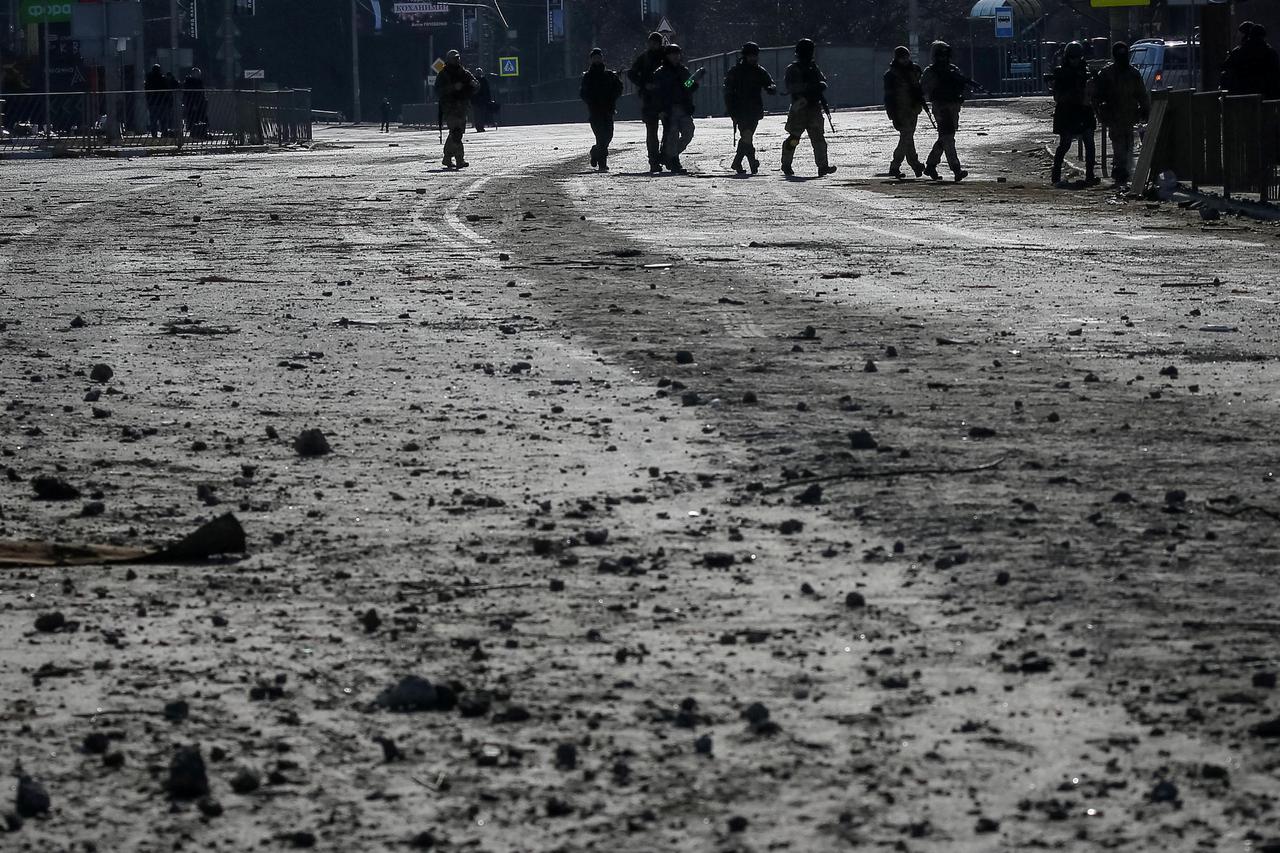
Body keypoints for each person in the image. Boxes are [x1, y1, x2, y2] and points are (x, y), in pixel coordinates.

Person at [1093, 41, 1150, 186]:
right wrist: (1100, 112)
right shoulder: (1107, 74)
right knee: (1119, 144)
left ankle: (1123, 169)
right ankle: (1120, 169)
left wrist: (1145, 110)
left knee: (1128, 144)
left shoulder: (1132, 73)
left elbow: (1141, 94)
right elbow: (1097, 96)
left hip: (1129, 114)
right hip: (1114, 114)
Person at [782, 39, 836, 177]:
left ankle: (823, 166)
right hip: (800, 107)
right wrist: (810, 88)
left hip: (813, 107)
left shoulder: (813, 67)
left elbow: (821, 80)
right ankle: (786, 164)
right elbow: (791, 87)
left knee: (819, 139)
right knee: (794, 138)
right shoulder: (793, 69)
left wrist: (821, 85)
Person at [723, 42, 777, 175]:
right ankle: (739, 162)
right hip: (740, 110)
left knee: (747, 137)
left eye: (755, 56)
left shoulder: (759, 71)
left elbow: (769, 83)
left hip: (754, 110)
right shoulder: (735, 71)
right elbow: (728, 93)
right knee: (747, 136)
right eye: (751, 56)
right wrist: (731, 111)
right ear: (745, 56)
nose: (753, 58)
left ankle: (750, 162)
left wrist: (771, 88)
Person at [1049, 41, 1098, 187]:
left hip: (1083, 111)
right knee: (1065, 144)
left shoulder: (1084, 71)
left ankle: (1090, 175)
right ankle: (1056, 175)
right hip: (1067, 112)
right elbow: (1057, 96)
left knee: (1089, 142)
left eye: (1077, 58)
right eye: (1072, 58)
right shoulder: (1062, 73)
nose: (1075, 61)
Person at [920, 41, 970, 182]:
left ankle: (930, 165)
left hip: (953, 106)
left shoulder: (953, 69)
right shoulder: (930, 72)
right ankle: (956, 169)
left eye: (945, 55)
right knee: (948, 138)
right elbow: (923, 88)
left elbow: (961, 86)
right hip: (940, 107)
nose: (943, 58)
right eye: (940, 55)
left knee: (945, 137)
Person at [651, 43, 699, 173]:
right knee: (672, 135)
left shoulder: (683, 71)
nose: (676, 57)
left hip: (683, 108)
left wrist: (695, 80)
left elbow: (688, 86)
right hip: (668, 109)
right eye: (673, 54)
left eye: (677, 54)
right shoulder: (660, 73)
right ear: (667, 56)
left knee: (688, 132)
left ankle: (668, 156)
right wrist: (660, 110)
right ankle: (673, 161)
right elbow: (656, 94)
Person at [627, 32, 668, 173]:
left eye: (655, 42)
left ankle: (666, 157)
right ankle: (654, 161)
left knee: (669, 131)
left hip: (665, 98)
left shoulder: (666, 57)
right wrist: (644, 84)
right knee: (652, 132)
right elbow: (631, 73)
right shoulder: (644, 58)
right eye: (651, 42)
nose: (653, 45)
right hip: (649, 98)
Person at [883, 46, 925, 178]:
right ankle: (896, 165)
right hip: (900, 110)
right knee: (906, 136)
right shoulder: (891, 75)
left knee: (908, 137)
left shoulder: (914, 70)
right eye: (902, 58)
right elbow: (889, 97)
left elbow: (919, 88)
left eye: (906, 57)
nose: (905, 60)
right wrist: (892, 113)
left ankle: (914, 164)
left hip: (913, 108)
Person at [579, 48, 624, 172]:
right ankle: (602, 164)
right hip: (595, 112)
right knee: (601, 137)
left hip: (608, 110)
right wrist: (591, 102)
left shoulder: (609, 75)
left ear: (602, 58)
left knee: (608, 135)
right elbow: (583, 93)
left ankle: (595, 152)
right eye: (594, 57)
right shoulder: (588, 76)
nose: (597, 59)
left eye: (598, 57)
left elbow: (619, 88)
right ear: (591, 60)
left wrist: (612, 98)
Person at [434, 50, 477, 169]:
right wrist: (452, 88)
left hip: (462, 107)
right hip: (450, 107)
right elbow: (438, 90)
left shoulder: (464, 73)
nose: (456, 60)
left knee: (456, 133)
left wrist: (475, 85)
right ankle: (459, 159)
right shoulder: (443, 74)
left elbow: (475, 85)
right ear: (448, 60)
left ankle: (447, 158)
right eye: (454, 58)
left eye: (457, 58)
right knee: (456, 132)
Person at [1220, 22, 1280, 99]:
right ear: (1264, 37)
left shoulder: (1239, 51)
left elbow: (1225, 68)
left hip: (1242, 93)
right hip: (1266, 94)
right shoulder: (1270, 52)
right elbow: (1275, 74)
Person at [182, 67, 208, 139]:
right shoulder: (190, 82)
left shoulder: (197, 81)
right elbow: (189, 93)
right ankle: (194, 132)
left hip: (199, 102)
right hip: (193, 102)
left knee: (200, 117)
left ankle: (200, 132)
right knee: (193, 118)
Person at [145, 64, 167, 138]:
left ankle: (154, 134)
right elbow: (166, 89)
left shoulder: (149, 79)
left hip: (152, 102)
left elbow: (146, 90)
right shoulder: (162, 78)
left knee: (153, 120)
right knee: (162, 119)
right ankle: (164, 133)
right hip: (161, 102)